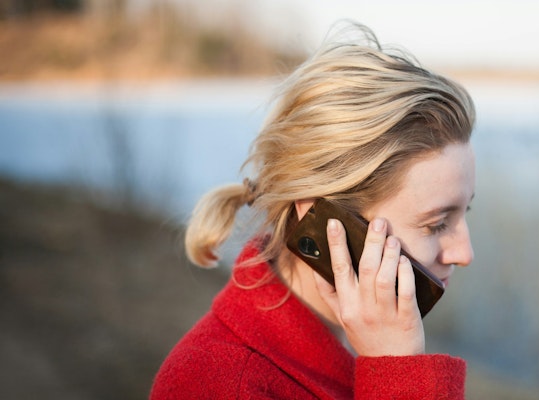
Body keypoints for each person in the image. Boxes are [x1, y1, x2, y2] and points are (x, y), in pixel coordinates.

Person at [151, 22, 476, 399]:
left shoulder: (365, 341)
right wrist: (398, 374)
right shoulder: (219, 384)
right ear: (324, 221)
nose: (464, 253)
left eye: (464, 212)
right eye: (436, 224)